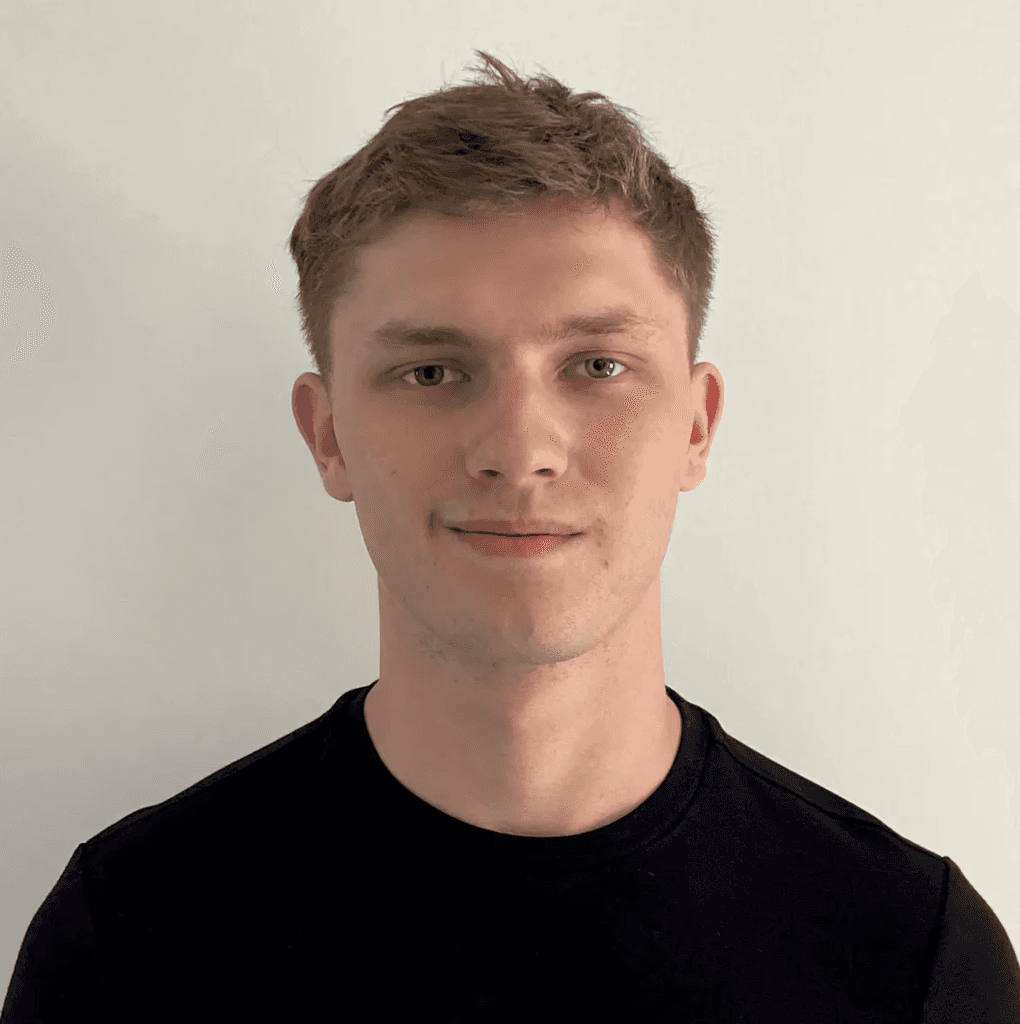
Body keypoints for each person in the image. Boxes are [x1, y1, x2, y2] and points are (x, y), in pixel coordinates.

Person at [3, 50, 1017, 1022]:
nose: (520, 450)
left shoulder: (910, 956)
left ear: (696, 426)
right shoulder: (130, 941)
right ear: (328, 437)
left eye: (598, 365)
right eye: (433, 371)